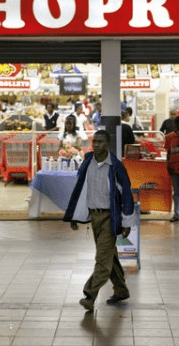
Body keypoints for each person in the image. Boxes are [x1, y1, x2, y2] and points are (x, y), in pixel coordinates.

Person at [63, 130, 135, 311]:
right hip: (94, 216)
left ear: (108, 144)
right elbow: (81, 190)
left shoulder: (116, 166)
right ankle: (121, 290)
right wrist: (75, 215)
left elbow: (126, 193)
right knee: (109, 255)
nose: (96, 145)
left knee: (102, 260)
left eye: (101, 142)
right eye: (95, 142)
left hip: (110, 217)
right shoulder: (88, 163)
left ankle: (89, 294)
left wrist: (126, 222)